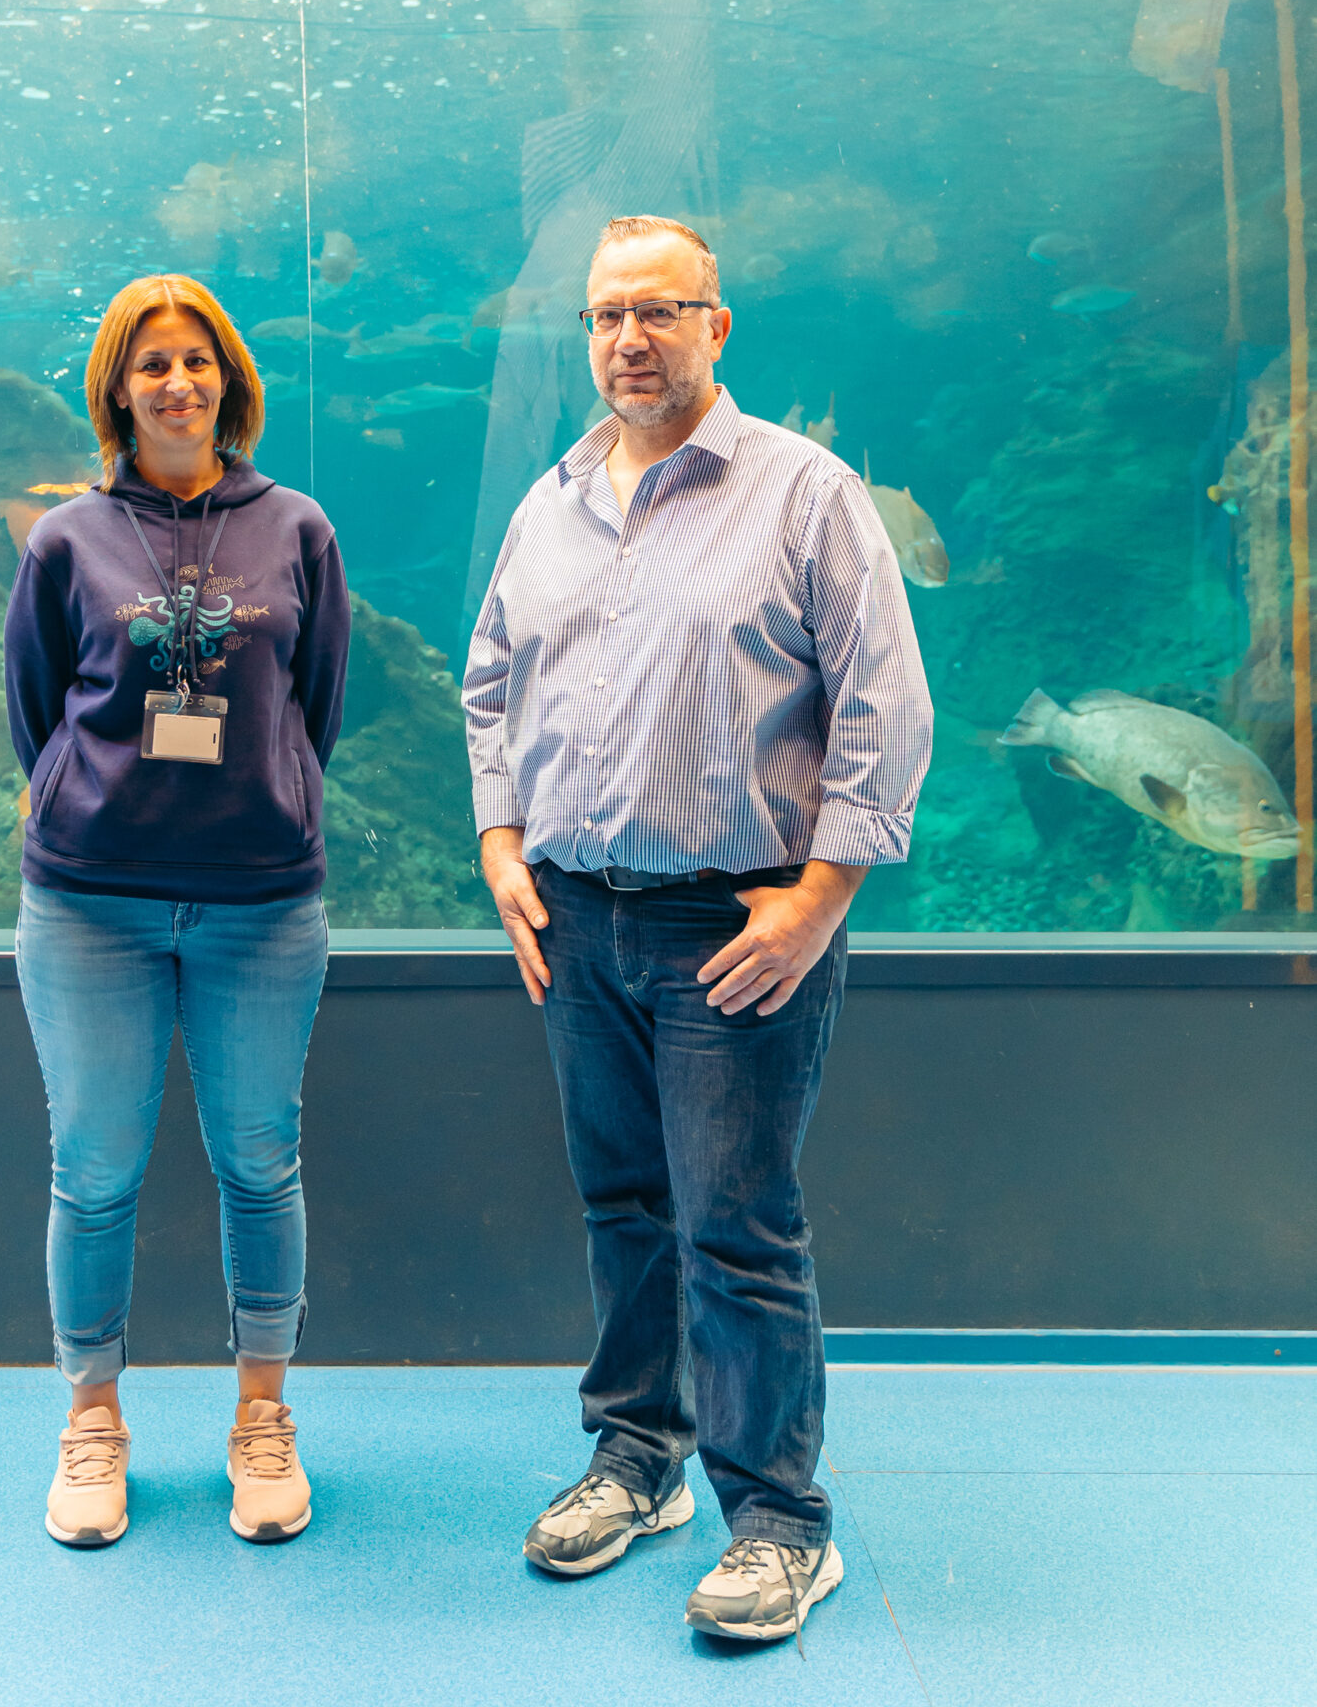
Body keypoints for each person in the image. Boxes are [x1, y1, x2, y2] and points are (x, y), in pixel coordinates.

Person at [463, 215, 932, 1647]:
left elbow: (885, 704)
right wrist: (498, 844)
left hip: (733, 923)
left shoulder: (804, 492)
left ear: (715, 326)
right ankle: (637, 1457)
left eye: (660, 310)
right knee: (624, 1207)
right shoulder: (549, 503)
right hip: (574, 920)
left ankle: (781, 1523)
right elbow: (490, 685)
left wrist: (821, 896)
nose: (630, 338)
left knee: (736, 1224)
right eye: (607, 314)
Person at [4, 273, 349, 1551]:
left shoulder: (298, 527)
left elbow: (318, 702)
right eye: (151, 363)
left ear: (229, 379)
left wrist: (265, 799)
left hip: (262, 904)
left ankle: (263, 1415)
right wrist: (97, 805)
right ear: (118, 388)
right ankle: (93, 1422)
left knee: (260, 1161)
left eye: (196, 359)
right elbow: (35, 708)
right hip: (90, 906)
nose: (177, 382)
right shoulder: (65, 538)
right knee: (94, 1171)